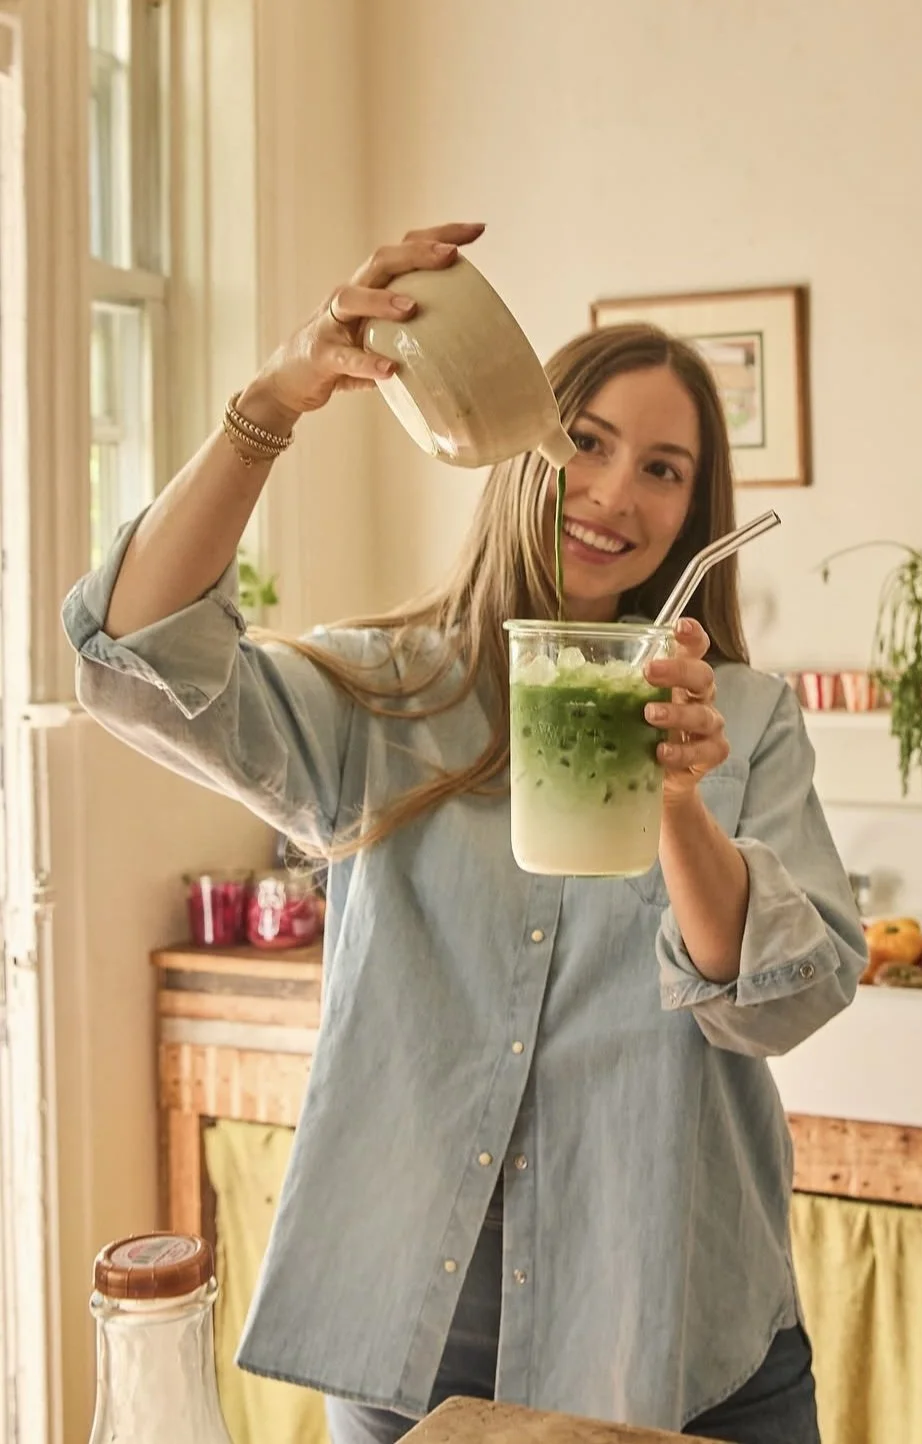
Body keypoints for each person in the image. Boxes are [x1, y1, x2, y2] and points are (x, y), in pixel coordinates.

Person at [63, 222, 865, 1444]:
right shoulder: (388, 696)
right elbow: (132, 657)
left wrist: (677, 801)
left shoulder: (740, 721)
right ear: (524, 451)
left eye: (664, 470)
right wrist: (274, 399)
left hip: (675, 1347)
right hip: (411, 1358)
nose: (612, 493)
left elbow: (774, 1005)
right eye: (587, 442)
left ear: (696, 507)